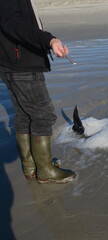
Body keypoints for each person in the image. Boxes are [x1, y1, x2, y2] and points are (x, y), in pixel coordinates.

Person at [0, 0, 76, 183]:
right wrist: (49, 40)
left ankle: (31, 166)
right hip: (21, 64)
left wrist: (49, 42)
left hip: (11, 62)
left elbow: (21, 22)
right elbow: (14, 24)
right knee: (43, 115)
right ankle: (45, 170)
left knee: (25, 114)